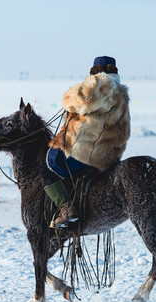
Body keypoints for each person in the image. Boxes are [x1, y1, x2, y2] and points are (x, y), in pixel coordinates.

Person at [41, 56, 131, 228]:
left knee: (47, 167)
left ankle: (65, 208)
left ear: (95, 71)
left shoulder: (101, 86)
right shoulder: (122, 93)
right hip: (110, 157)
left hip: (91, 155)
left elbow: (72, 100)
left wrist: (85, 86)